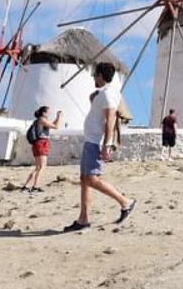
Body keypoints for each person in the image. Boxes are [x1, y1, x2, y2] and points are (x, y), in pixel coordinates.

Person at [64, 63, 135, 232]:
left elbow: (110, 120)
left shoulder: (109, 95)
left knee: (92, 179)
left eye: (95, 75)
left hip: (96, 142)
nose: (93, 78)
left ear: (101, 76)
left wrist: (107, 144)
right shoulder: (103, 94)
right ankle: (83, 219)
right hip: (91, 141)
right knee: (84, 179)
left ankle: (125, 202)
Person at [22, 106, 62, 193]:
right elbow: (55, 126)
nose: (49, 114)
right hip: (41, 143)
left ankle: (26, 186)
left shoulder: (39, 121)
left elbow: (51, 125)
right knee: (42, 167)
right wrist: (59, 117)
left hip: (37, 143)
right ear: (44, 113)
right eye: (48, 112)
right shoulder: (42, 120)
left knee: (38, 167)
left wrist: (56, 118)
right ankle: (35, 186)